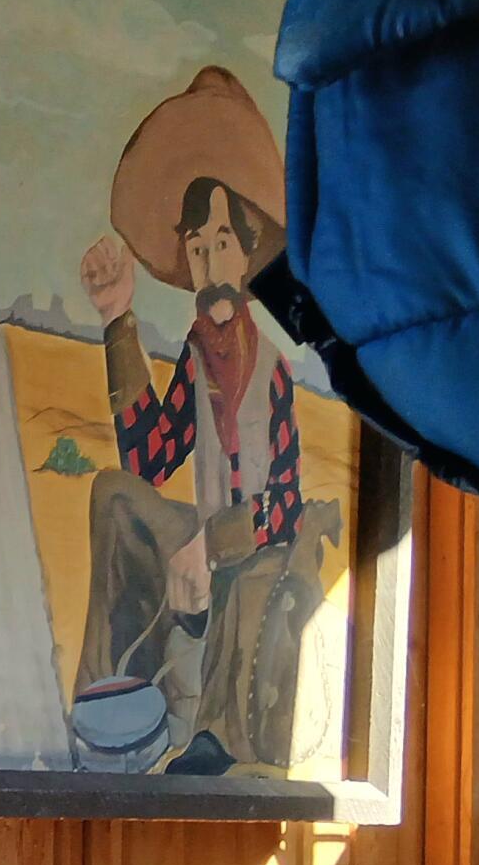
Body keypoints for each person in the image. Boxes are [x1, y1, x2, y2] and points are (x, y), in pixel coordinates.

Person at [74, 67, 342, 775]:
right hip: (200, 540)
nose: (209, 260)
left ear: (248, 252)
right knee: (112, 492)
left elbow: (283, 506)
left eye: (223, 242)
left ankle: (211, 743)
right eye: (197, 248)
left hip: (256, 552)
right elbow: (150, 459)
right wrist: (116, 322)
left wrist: (213, 546)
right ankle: (110, 694)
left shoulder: (275, 373)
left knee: (253, 580)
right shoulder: (194, 353)